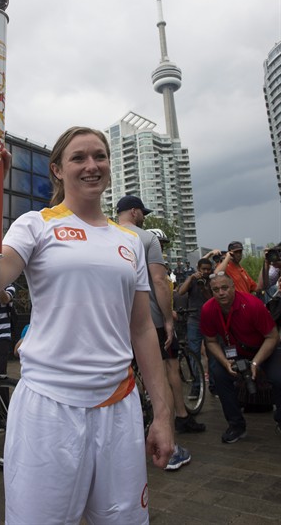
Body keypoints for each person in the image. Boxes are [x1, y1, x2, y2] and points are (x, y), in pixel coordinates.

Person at [0, 127, 173, 525]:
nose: (91, 165)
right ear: (58, 170)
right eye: (78, 158)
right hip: (49, 409)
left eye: (99, 156)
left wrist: (163, 416)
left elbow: (142, 331)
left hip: (119, 408)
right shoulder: (36, 225)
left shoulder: (129, 240)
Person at [117, 201, 202, 473]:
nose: (143, 217)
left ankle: (136, 431)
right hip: (149, 320)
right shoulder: (147, 238)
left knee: (130, 375)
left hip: (119, 324)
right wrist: (167, 318)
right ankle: (172, 444)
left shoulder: (105, 233)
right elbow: (159, 281)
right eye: (142, 212)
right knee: (165, 371)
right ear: (134, 212)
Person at [200, 271, 281, 443]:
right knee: (219, 374)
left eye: (224, 288)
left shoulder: (252, 304)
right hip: (234, 352)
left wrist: (256, 362)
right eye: (215, 290)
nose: (221, 293)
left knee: (278, 377)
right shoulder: (208, 309)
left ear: (233, 287)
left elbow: (273, 336)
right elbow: (211, 341)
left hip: (263, 348)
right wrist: (224, 362)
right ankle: (236, 425)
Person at [177, 257, 216, 395]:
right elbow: (181, 291)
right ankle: (196, 386)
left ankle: (214, 385)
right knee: (194, 353)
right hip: (194, 320)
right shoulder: (193, 279)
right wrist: (191, 278)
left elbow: (212, 299)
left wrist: (205, 287)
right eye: (203, 269)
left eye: (208, 269)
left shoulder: (213, 280)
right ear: (198, 269)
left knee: (212, 354)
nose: (205, 272)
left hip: (210, 320)